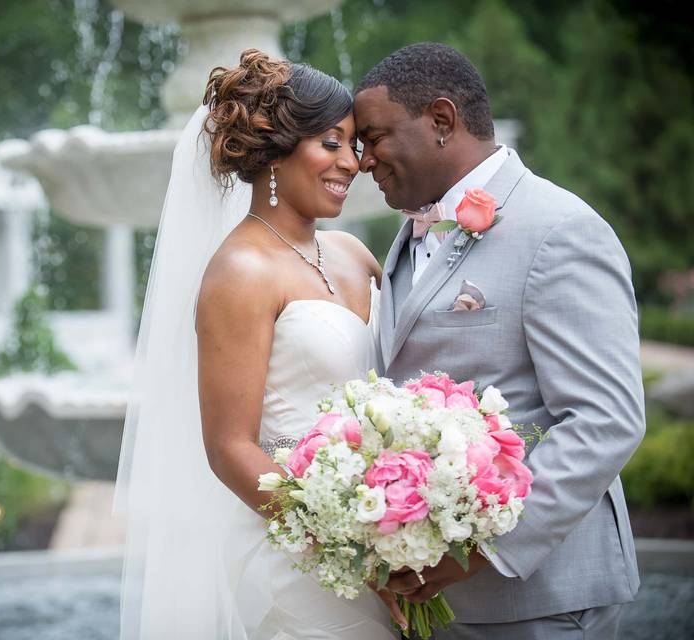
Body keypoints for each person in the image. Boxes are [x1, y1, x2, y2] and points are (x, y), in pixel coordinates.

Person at [353, 42, 645, 639]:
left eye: (375, 137)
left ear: (441, 121)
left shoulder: (560, 230)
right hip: (433, 599)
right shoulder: (408, 233)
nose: (363, 162)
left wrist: (479, 553)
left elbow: (606, 418)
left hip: (540, 597)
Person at [115, 49, 395, 639]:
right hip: (305, 562)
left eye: (354, 146)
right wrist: (347, 548)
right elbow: (229, 448)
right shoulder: (238, 273)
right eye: (330, 143)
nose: (352, 162)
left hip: (390, 534)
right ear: (274, 151)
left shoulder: (353, 254)